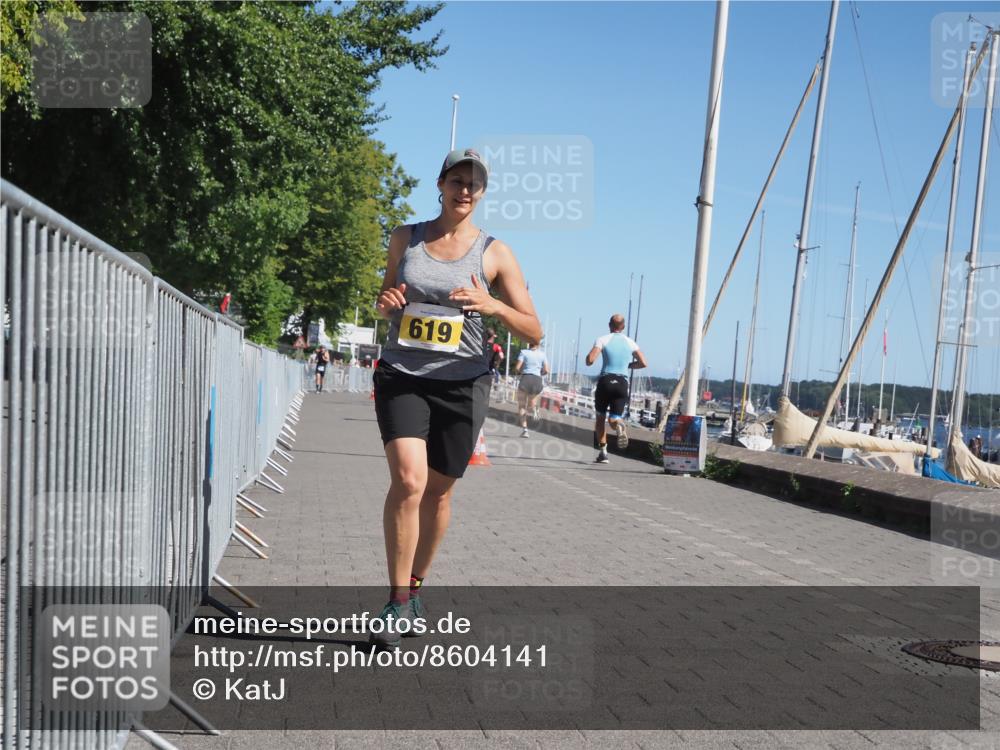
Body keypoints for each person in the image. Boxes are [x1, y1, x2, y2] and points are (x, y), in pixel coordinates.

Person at [372, 147, 542, 649]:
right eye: (457, 180)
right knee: (409, 481)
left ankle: (418, 588)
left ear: (482, 193)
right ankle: (397, 600)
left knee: (439, 493)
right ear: (440, 184)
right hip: (404, 373)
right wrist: (385, 304)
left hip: (464, 385)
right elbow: (386, 301)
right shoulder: (406, 237)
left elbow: (534, 330)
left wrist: (493, 304)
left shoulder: (495, 252)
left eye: (474, 184)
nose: (464, 190)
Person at [585, 314, 647, 464]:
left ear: (609, 325)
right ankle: (618, 425)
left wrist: (589, 357)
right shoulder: (631, 342)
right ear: (623, 327)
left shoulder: (602, 339)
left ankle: (603, 453)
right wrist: (628, 365)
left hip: (606, 381)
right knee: (613, 418)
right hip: (622, 383)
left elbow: (590, 360)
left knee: (600, 419)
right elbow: (643, 363)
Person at [514, 341, 549, 437]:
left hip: (525, 378)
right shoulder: (542, 354)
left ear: (529, 343)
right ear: (538, 344)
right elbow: (546, 370)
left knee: (522, 406)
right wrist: (540, 373)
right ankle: (534, 409)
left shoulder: (524, 352)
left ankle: (525, 430)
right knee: (530, 405)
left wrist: (520, 373)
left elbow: (517, 368)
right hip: (537, 379)